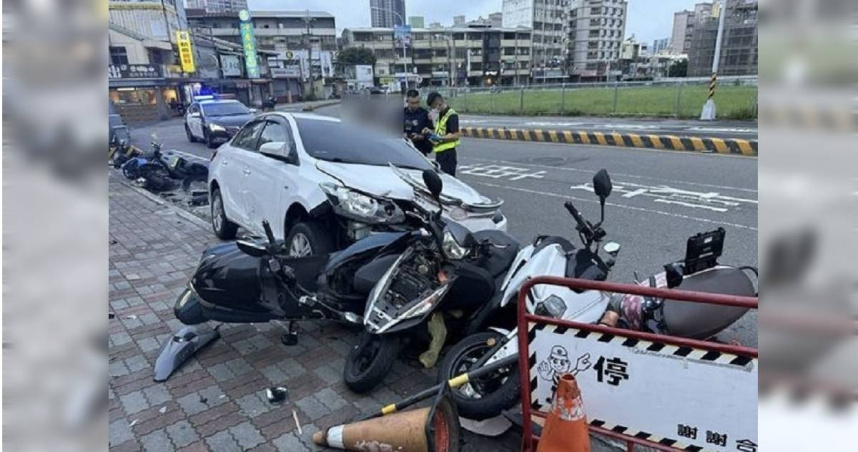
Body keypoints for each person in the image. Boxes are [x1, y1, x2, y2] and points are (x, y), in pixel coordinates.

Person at [423, 92, 460, 176]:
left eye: (434, 107)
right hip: (440, 154)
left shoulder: (451, 115)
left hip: (448, 155)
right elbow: (441, 132)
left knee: (448, 180)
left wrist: (440, 138)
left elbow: (455, 135)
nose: (433, 110)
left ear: (439, 103)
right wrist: (430, 132)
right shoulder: (441, 115)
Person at [403, 89, 434, 156]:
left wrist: (421, 137)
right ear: (407, 101)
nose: (415, 105)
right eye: (413, 103)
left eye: (417, 102)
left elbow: (431, 132)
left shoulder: (425, 114)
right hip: (404, 150)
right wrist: (404, 136)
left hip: (421, 150)